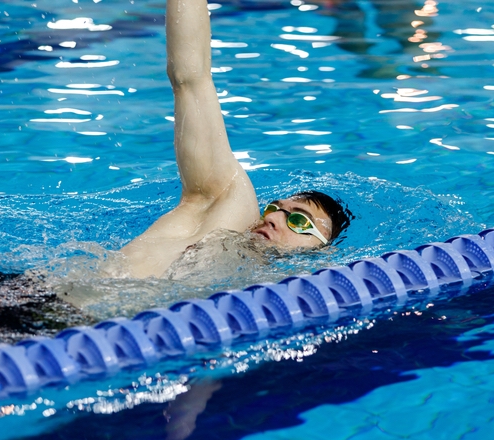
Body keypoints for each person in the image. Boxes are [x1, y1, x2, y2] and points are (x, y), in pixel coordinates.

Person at [121, 0, 350, 278]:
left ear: (325, 253)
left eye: (299, 221)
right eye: (273, 208)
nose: (272, 217)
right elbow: (190, 79)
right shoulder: (223, 212)